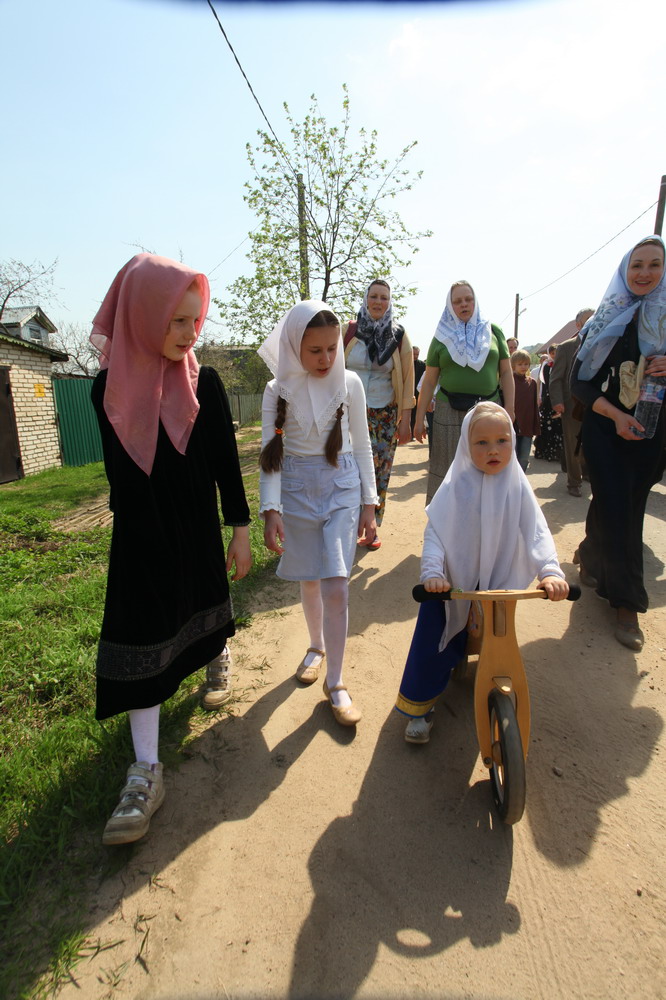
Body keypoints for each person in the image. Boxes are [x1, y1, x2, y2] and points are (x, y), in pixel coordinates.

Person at [90, 254, 251, 845]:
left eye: (195, 319)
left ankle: (216, 655)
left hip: (197, 525)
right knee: (140, 634)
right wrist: (143, 537)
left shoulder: (205, 383)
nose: (190, 333)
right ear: (142, 316)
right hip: (141, 535)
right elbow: (121, 478)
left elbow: (224, 461)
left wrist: (238, 527)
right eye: (177, 320)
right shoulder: (106, 390)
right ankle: (146, 772)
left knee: (206, 600)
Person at [396, 401, 568, 742]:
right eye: (482, 442)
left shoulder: (517, 485)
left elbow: (536, 530)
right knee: (433, 638)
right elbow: (436, 533)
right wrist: (433, 573)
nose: (493, 450)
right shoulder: (456, 486)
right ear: (466, 444)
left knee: (501, 638)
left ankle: (498, 684)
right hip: (452, 583)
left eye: (502, 440)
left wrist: (550, 571)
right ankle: (421, 706)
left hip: (498, 584)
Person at [259, 300, 378, 726]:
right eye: (315, 350)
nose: (326, 358)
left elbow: (362, 445)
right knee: (310, 579)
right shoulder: (276, 390)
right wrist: (270, 509)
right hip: (296, 491)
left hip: (342, 487)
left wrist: (369, 504)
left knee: (337, 585)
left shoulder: (351, 384)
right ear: (294, 346)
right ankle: (316, 645)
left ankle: (336, 681)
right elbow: (269, 454)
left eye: (332, 348)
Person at [571, 236, 666, 652]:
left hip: (652, 430)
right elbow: (579, 383)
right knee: (621, 508)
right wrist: (616, 416)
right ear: (625, 271)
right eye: (637, 265)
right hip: (606, 428)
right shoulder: (605, 319)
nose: (645, 273)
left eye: (654, 264)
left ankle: (591, 552)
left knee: (623, 501)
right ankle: (627, 604)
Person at [413, 281, 514, 503]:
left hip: (489, 411)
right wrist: (419, 419)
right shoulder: (441, 335)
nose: (464, 304)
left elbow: (506, 372)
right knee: (447, 470)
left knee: (489, 467)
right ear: (450, 306)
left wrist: (510, 408)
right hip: (449, 412)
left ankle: (488, 517)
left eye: (468, 299)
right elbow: (429, 381)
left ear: (475, 301)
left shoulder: (494, 331)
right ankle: (444, 520)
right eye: (457, 301)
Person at [343, 280, 415, 549]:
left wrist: (405, 420)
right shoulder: (348, 331)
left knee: (378, 471)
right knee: (349, 469)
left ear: (389, 301)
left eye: (384, 297)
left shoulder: (398, 335)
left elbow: (408, 378)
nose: (378, 302)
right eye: (373, 296)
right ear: (366, 299)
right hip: (348, 412)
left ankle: (372, 528)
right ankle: (348, 525)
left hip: (384, 414)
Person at [549, 308, 594, 496]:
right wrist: (558, 401)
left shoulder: (604, 344)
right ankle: (574, 482)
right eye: (588, 319)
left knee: (592, 443)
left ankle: (589, 474)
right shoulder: (566, 347)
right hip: (571, 405)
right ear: (578, 325)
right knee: (573, 444)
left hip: (596, 406)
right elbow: (556, 378)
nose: (592, 322)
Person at [511, 349, 540, 471]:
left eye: (526, 364)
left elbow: (534, 406)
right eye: (520, 364)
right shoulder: (508, 382)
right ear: (513, 365)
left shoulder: (532, 383)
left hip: (527, 427)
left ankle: (521, 480)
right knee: (512, 457)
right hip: (512, 425)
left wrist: (535, 425)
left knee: (523, 458)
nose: (523, 367)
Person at [534, 344, 563, 461]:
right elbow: (541, 382)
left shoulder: (562, 364)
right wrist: (539, 397)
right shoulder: (546, 366)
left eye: (556, 353)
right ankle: (545, 451)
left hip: (559, 397)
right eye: (552, 353)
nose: (554, 355)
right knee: (546, 425)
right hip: (547, 399)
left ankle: (557, 453)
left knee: (558, 426)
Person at [411, 345, 426, 440]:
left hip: (418, 393)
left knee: (415, 413)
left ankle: (413, 434)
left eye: (417, 354)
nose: (415, 356)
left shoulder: (422, 365)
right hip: (407, 392)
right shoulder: (405, 363)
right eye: (414, 354)